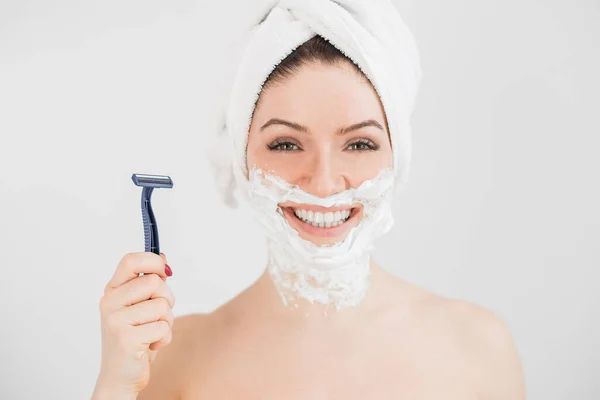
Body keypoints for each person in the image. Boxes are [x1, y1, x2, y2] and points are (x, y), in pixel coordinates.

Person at [92, 4, 526, 400]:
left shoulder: (478, 347)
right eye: (285, 144)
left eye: (359, 144)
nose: (323, 183)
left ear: (397, 156)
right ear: (242, 157)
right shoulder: (167, 358)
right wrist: (115, 385)